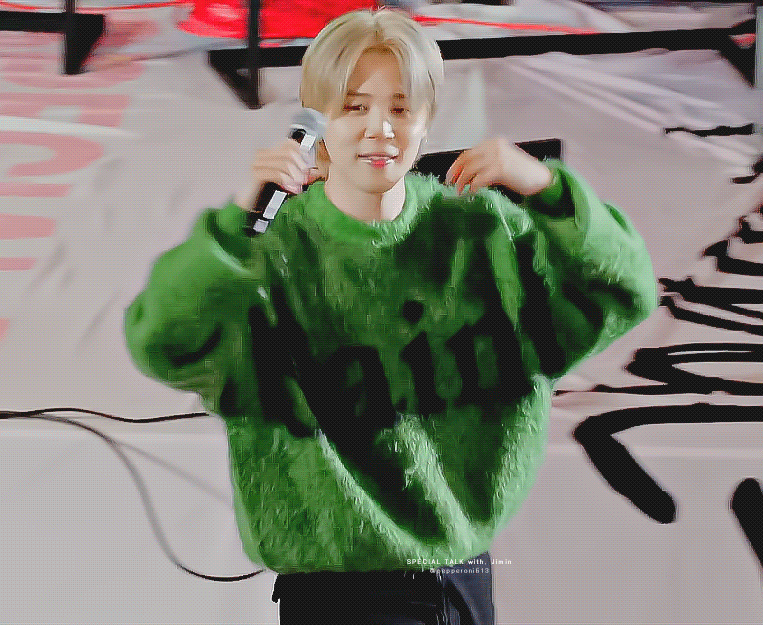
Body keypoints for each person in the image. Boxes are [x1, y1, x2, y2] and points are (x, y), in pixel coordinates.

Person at [124, 7, 658, 625]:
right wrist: (237, 226)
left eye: (401, 108)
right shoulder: (271, 255)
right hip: (333, 583)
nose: (379, 129)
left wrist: (546, 187)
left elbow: (625, 290)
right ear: (316, 122)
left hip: (458, 569)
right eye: (354, 107)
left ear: (427, 121)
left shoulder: (482, 234)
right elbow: (161, 341)